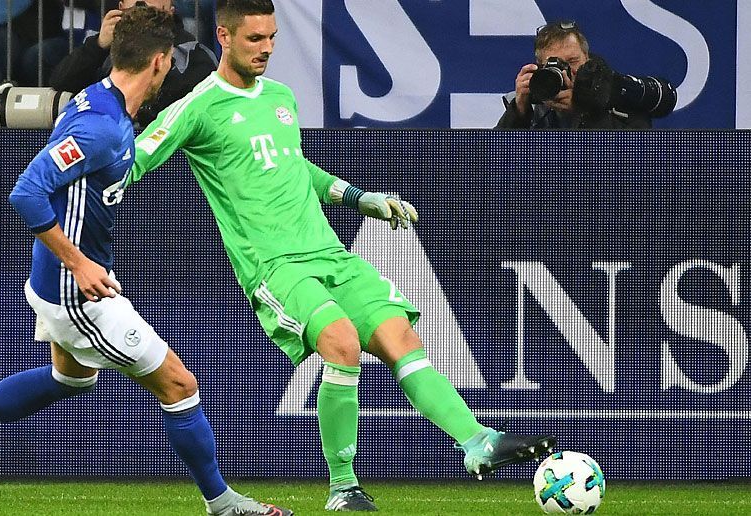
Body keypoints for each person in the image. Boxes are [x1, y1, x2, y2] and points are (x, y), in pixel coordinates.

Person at [129, 0, 555, 511]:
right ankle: (343, 487)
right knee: (342, 341)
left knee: (402, 337)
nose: (266, 49)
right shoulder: (198, 106)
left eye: (271, 38)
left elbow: (296, 168)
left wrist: (360, 198)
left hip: (328, 253)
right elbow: (132, 159)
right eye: (254, 39)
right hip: (275, 266)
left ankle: (476, 442)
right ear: (223, 35)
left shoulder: (281, 97)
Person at [0, 6, 291, 516]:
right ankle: (222, 502)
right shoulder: (101, 126)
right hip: (74, 287)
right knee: (179, 384)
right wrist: (79, 264)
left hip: (56, 274)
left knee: (71, 378)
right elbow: (27, 192)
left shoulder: (102, 102)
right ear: (161, 62)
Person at [50, 0, 216, 130]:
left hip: (169, 149)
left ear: (170, 10)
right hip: (108, 139)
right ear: (121, 7)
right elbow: (62, 81)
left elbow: (198, 110)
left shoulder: (193, 53)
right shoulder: (101, 47)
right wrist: (98, 45)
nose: (141, 2)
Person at [496, 20, 655, 129]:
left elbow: (633, 161)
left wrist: (584, 111)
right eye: (555, 64)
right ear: (540, 67)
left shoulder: (618, 96)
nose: (565, 71)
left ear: (588, 60)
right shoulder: (532, 103)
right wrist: (519, 112)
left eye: (572, 61)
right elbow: (491, 160)